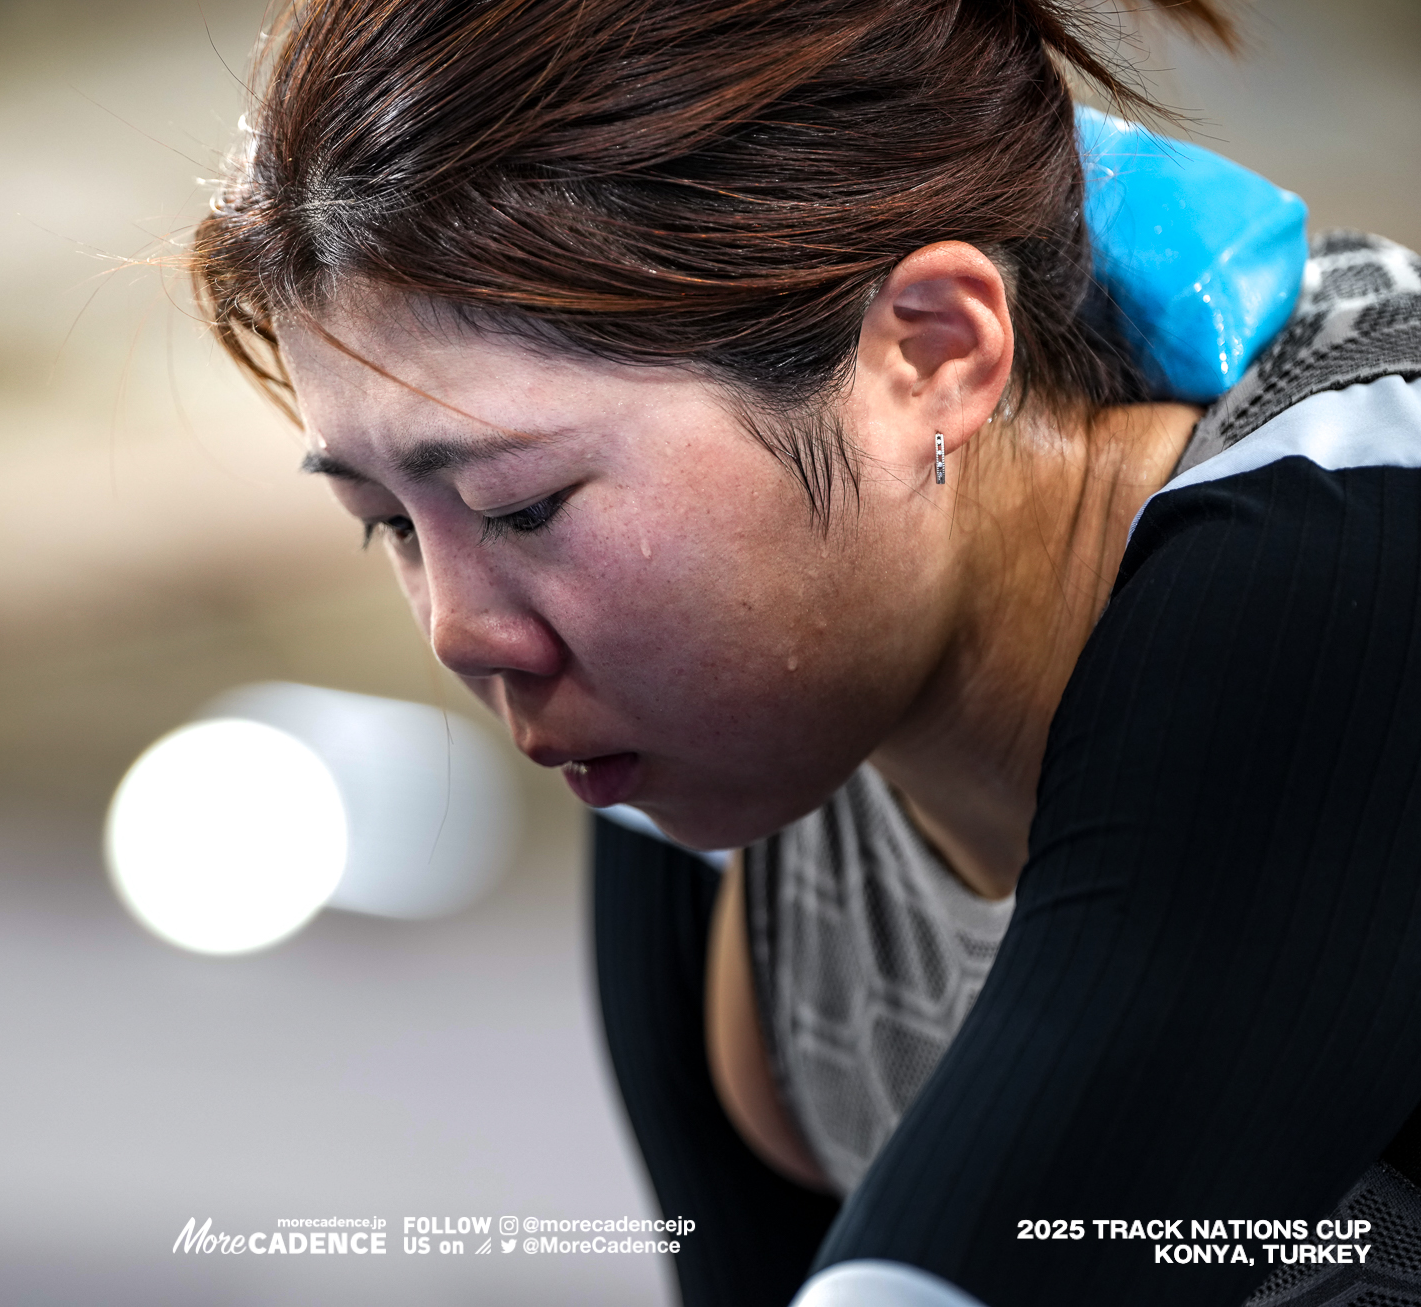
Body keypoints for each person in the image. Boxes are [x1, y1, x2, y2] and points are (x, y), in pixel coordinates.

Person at [186, 1, 1421, 1303]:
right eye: (385, 521)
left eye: (522, 506)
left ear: (932, 355)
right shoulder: (705, 724)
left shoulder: (1365, 549)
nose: (460, 633)